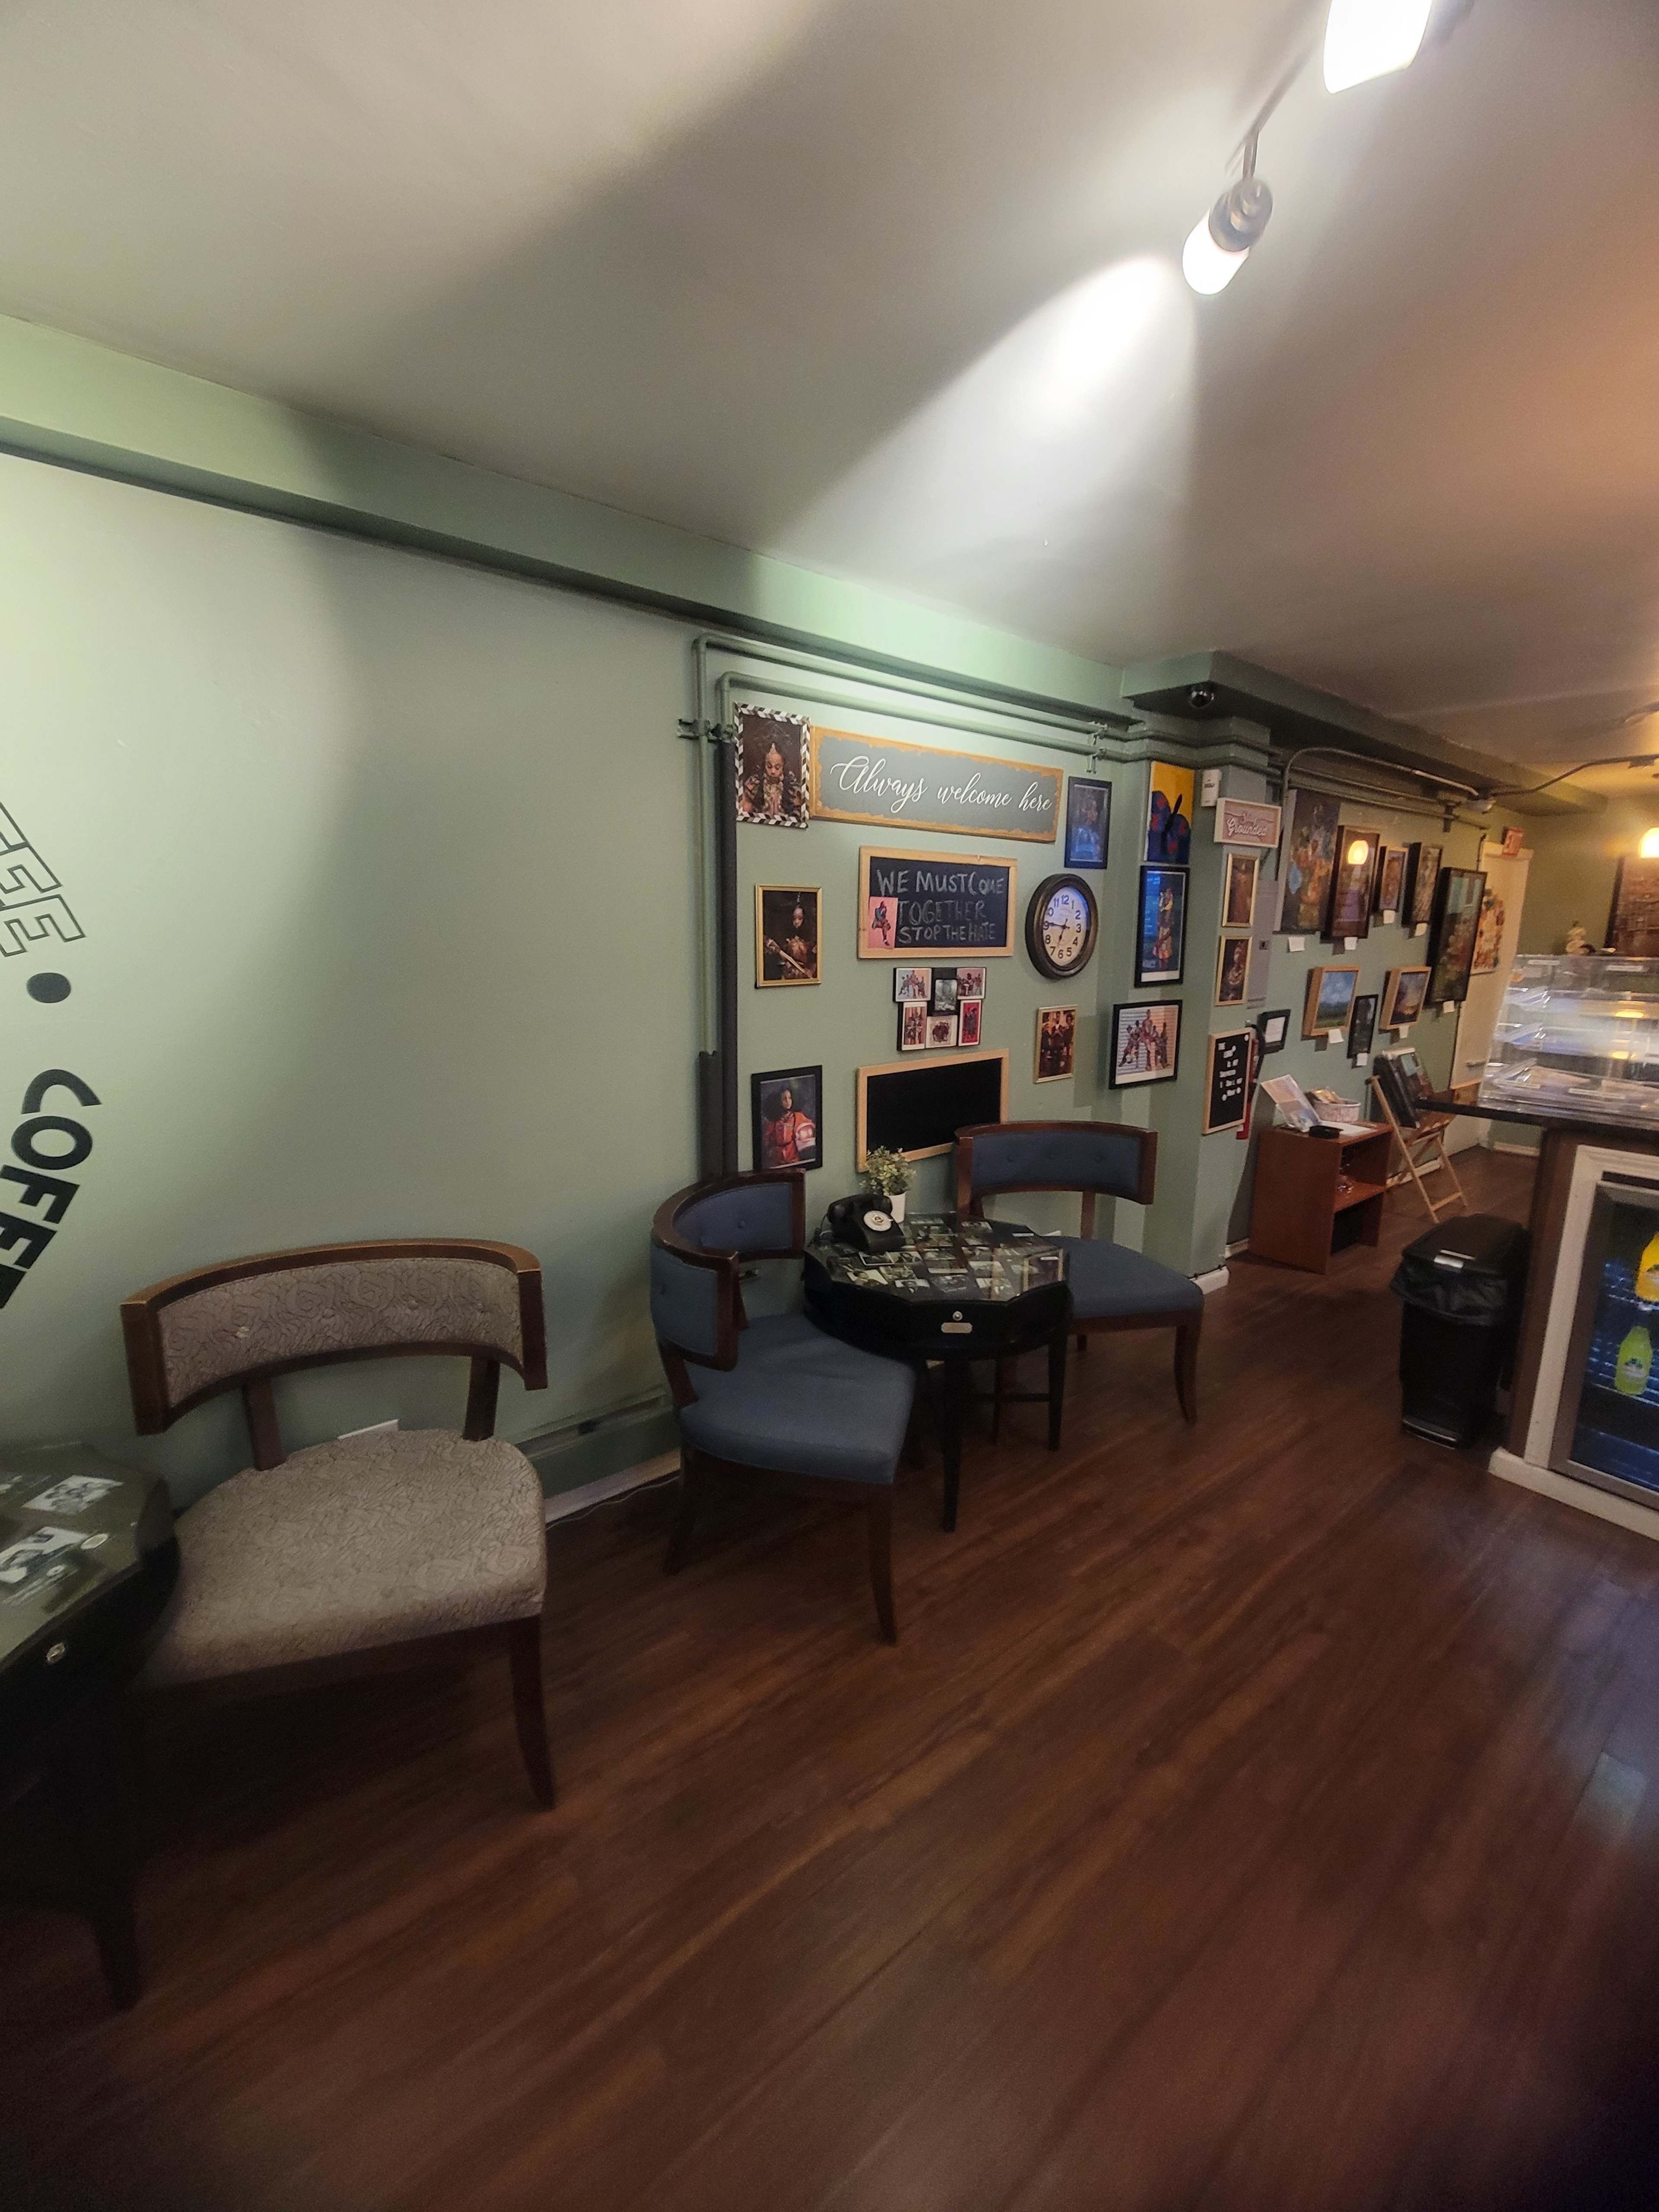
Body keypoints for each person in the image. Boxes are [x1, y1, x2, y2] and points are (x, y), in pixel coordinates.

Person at [762, 1085, 815, 1167]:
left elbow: (810, 1125)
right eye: (784, 1099)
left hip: (793, 1157)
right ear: (778, 1101)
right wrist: (770, 1151)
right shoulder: (774, 1121)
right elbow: (766, 1139)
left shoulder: (797, 1117)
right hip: (777, 1160)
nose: (788, 1101)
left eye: (790, 1098)